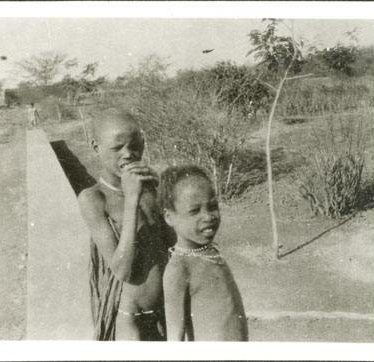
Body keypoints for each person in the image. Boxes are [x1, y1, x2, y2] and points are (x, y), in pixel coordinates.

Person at [78, 108, 173, 341]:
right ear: (95, 146)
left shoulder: (149, 186)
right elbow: (123, 271)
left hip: (168, 310)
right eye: (117, 147)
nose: (129, 154)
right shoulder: (93, 198)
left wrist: (165, 195)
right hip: (131, 321)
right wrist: (132, 200)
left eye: (135, 145)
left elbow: (171, 241)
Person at [159, 165, 249, 341]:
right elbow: (174, 338)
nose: (208, 216)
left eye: (213, 206)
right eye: (194, 211)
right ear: (170, 217)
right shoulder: (179, 268)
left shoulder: (209, 251)